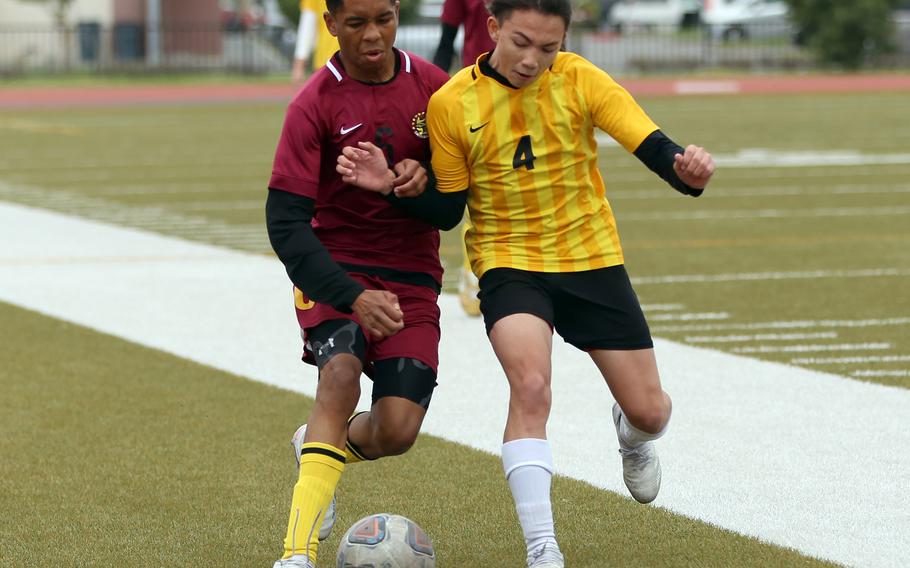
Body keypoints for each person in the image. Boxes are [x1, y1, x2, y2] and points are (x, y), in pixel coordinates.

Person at [337, 0, 715, 564]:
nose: (533, 59)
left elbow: (652, 144)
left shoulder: (581, 77)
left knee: (651, 412)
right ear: (492, 29)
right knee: (532, 387)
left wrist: (687, 171)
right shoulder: (452, 102)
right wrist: (394, 185)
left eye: (548, 47)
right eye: (520, 42)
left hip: (591, 258)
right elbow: (447, 212)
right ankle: (543, 549)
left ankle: (631, 434)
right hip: (509, 262)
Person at [265, 0, 458, 564]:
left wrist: (417, 188)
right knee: (340, 374)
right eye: (356, 23)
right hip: (334, 266)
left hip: (412, 277)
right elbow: (285, 226)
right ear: (331, 25)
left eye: (385, 19)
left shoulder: (435, 91)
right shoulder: (312, 105)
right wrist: (351, 295)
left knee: (398, 430)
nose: (373, 35)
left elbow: (452, 211)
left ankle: (319, 446)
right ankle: (296, 553)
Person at [431, 0, 497, 317]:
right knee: (479, 184)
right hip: (477, 92)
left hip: (530, 89)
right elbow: (446, 40)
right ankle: (474, 270)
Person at [291, 0, 340, 83]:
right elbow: (308, 24)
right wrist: (300, 62)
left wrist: (300, 62)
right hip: (329, 60)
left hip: (326, 60)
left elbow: (307, 25)